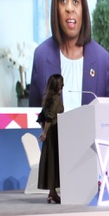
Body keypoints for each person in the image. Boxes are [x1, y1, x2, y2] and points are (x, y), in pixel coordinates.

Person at [27, 0, 109, 111]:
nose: (69, 8)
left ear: (83, 8)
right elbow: (34, 120)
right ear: (55, 7)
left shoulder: (102, 59)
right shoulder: (41, 56)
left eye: (75, 1)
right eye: (63, 0)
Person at [37, 73, 64, 204]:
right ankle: (52, 192)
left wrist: (44, 131)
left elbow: (42, 117)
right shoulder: (56, 98)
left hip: (50, 133)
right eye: (61, 83)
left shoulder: (47, 97)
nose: (63, 85)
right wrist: (46, 133)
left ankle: (51, 192)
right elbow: (49, 117)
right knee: (54, 162)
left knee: (51, 162)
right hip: (54, 133)